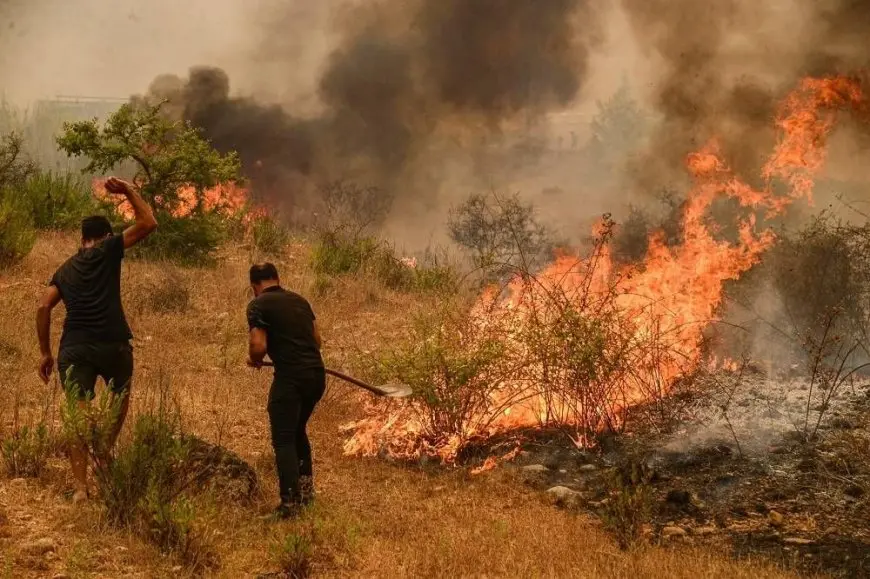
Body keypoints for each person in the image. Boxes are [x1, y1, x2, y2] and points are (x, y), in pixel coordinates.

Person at [35, 177, 158, 502]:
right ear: (103, 237)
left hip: (74, 349)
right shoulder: (108, 249)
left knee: (77, 415)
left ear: (82, 239)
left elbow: (43, 307)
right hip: (113, 344)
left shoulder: (65, 269)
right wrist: (129, 191)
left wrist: (46, 353)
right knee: (120, 398)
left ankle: (80, 489)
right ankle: (103, 450)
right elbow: (149, 223)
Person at [246, 263, 325, 519]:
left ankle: (289, 504)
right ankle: (306, 494)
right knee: (298, 431)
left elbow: (258, 345)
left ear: (254, 286)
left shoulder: (258, 305)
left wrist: (254, 358)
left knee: (283, 438)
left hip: (291, 378)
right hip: (316, 375)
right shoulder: (300, 301)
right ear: (278, 278)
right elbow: (317, 341)